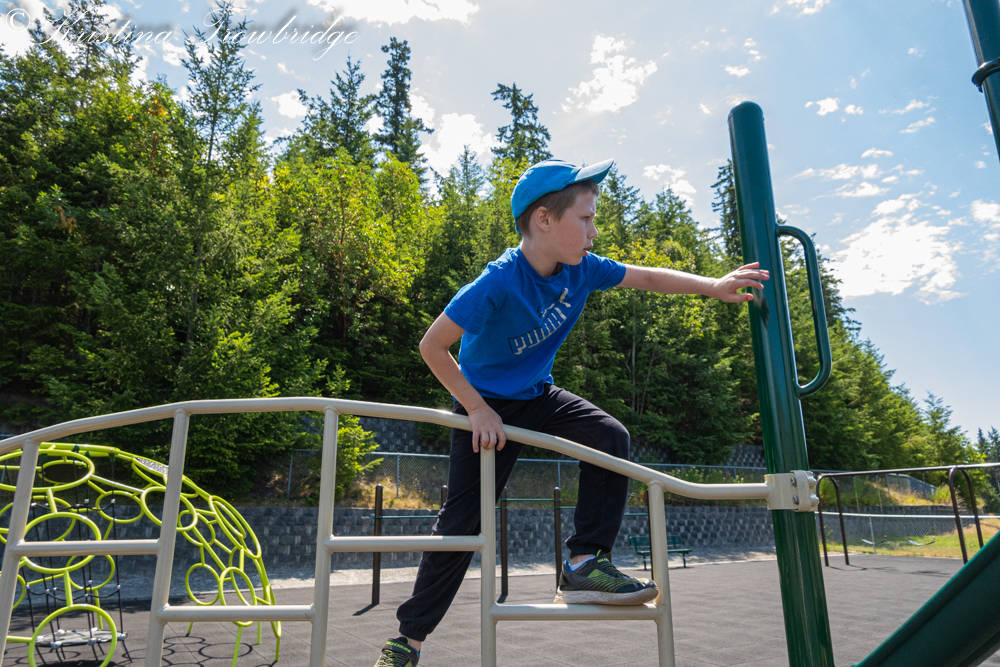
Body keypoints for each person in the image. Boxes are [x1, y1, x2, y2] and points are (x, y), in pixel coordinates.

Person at [373, 158, 769, 667]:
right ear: (544, 219)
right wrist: (476, 408)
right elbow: (432, 346)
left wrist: (712, 286)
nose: (593, 231)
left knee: (609, 436)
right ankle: (406, 642)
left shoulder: (584, 269)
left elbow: (648, 278)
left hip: (538, 396)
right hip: (486, 405)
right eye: (585, 219)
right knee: (462, 524)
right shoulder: (497, 282)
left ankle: (584, 561)